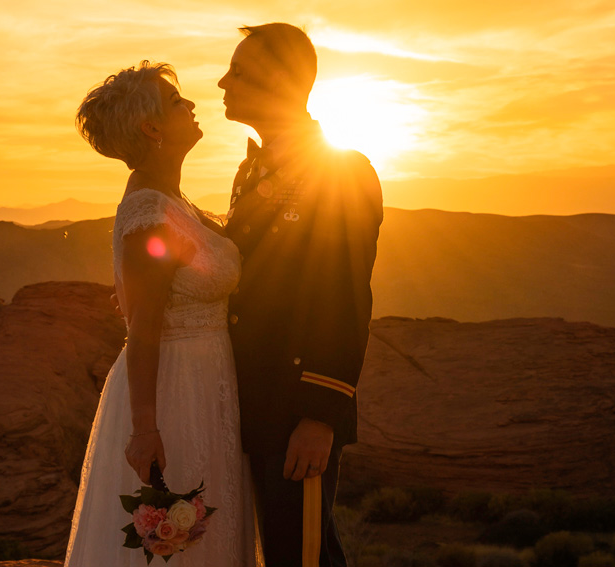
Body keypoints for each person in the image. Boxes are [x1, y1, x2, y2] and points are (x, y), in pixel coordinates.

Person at [63, 61, 257, 567]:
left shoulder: (173, 199)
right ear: (152, 128)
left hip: (210, 380)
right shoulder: (149, 211)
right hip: (177, 391)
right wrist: (145, 428)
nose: (191, 105)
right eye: (176, 101)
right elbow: (143, 329)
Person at [219, 23, 383, 567]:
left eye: (238, 72)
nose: (223, 82)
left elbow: (344, 297)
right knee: (291, 549)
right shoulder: (252, 168)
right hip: (253, 401)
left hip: (295, 408)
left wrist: (320, 415)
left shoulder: (341, 171)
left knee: (302, 556)